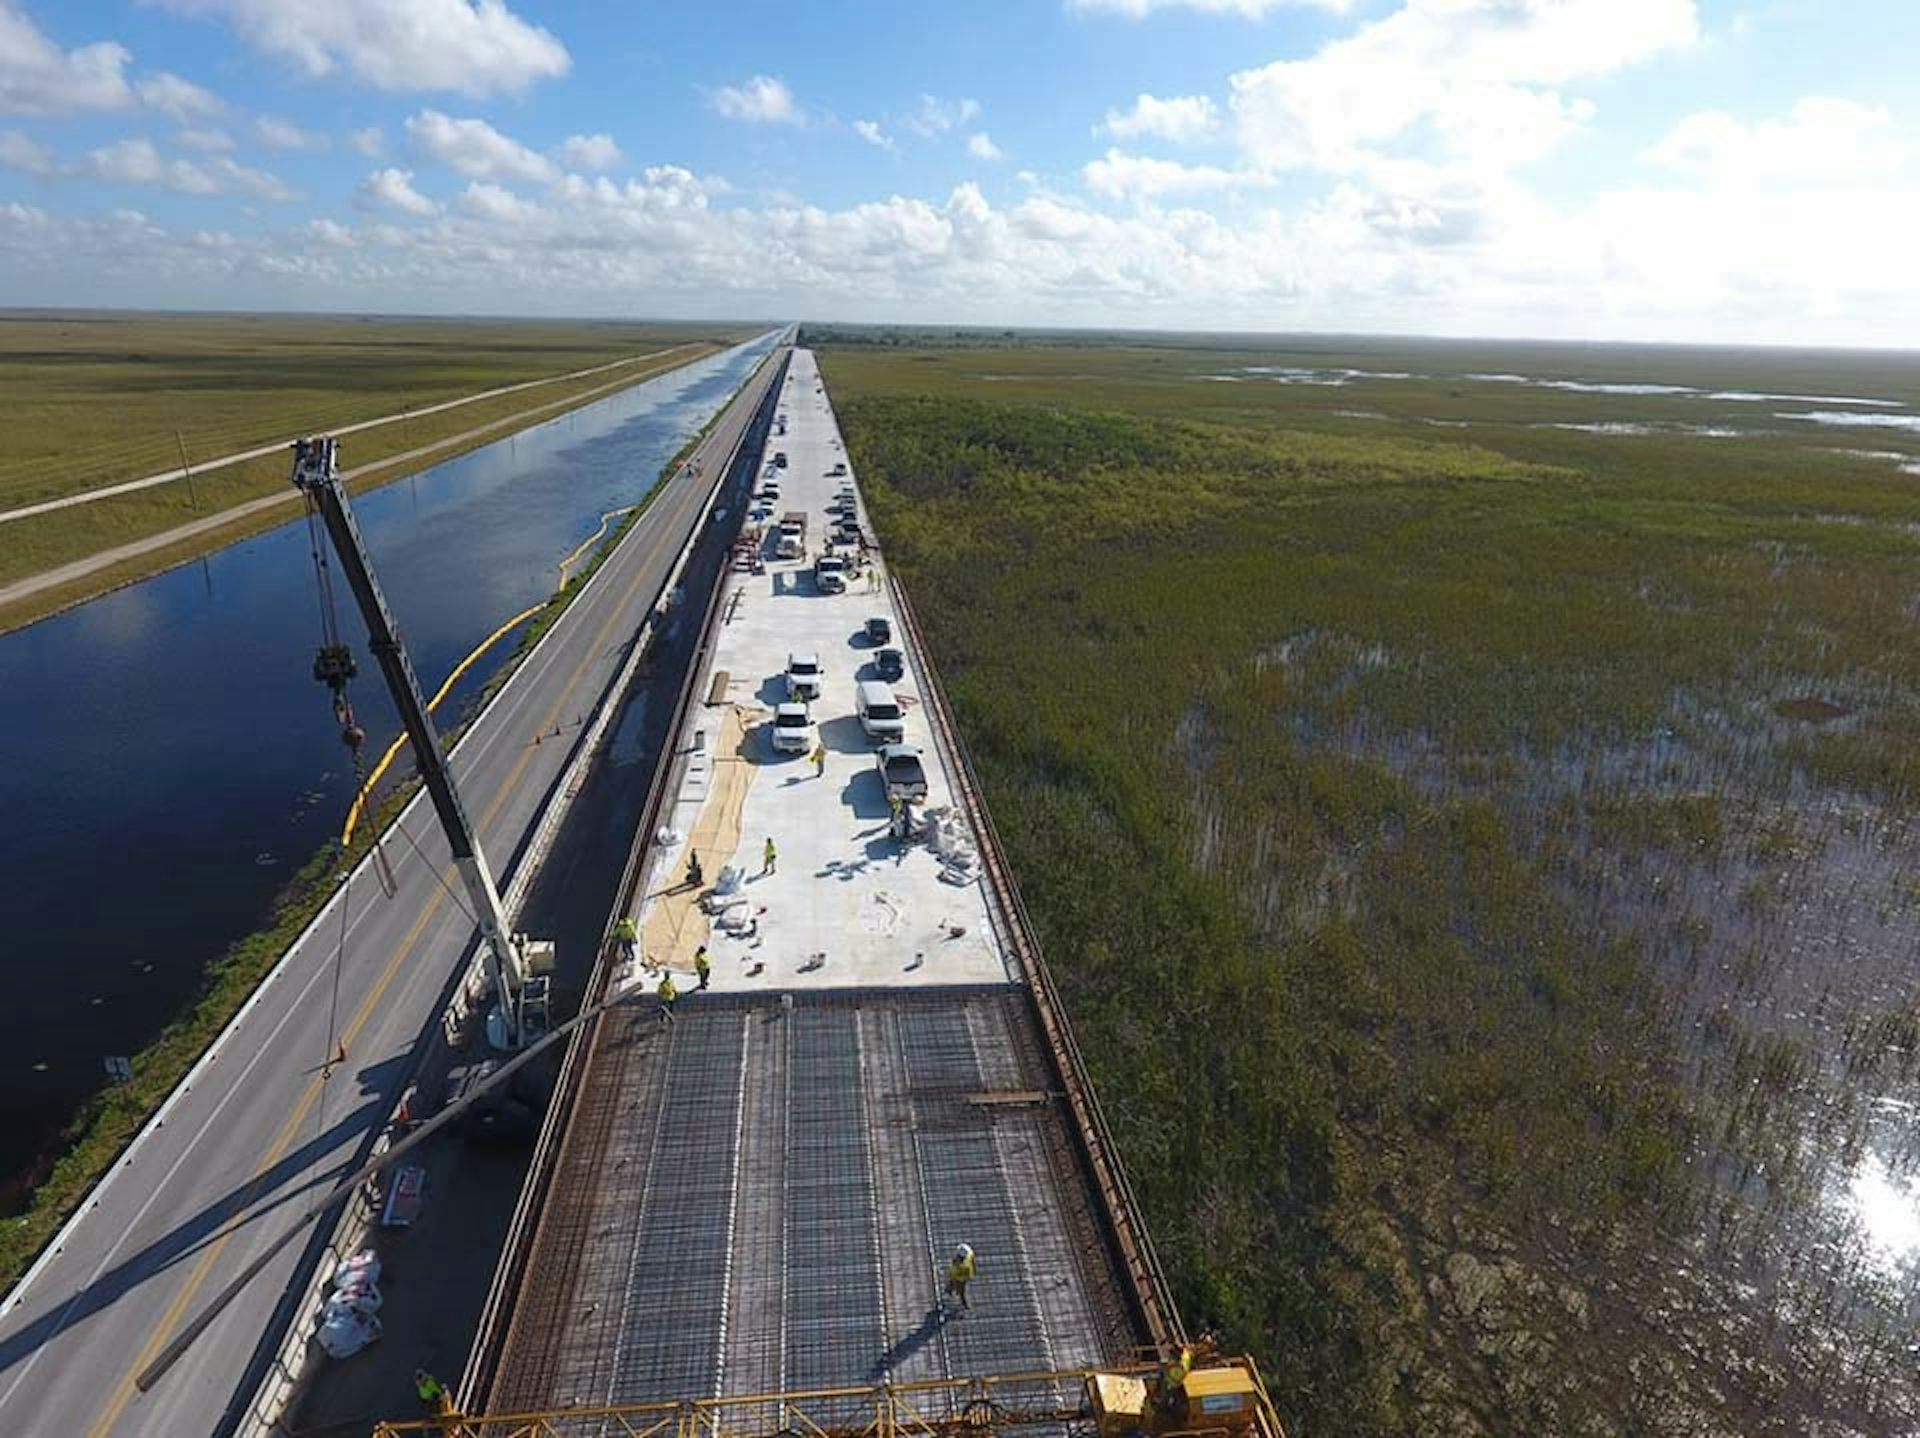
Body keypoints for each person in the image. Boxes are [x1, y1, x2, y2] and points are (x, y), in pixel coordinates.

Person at [945, 1243, 977, 1312]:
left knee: (960, 1291)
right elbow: (973, 1262)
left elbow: (953, 1274)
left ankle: (964, 1304)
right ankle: (949, 1290)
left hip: (960, 1279)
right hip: (962, 1277)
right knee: (958, 1289)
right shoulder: (970, 1254)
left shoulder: (960, 1265)